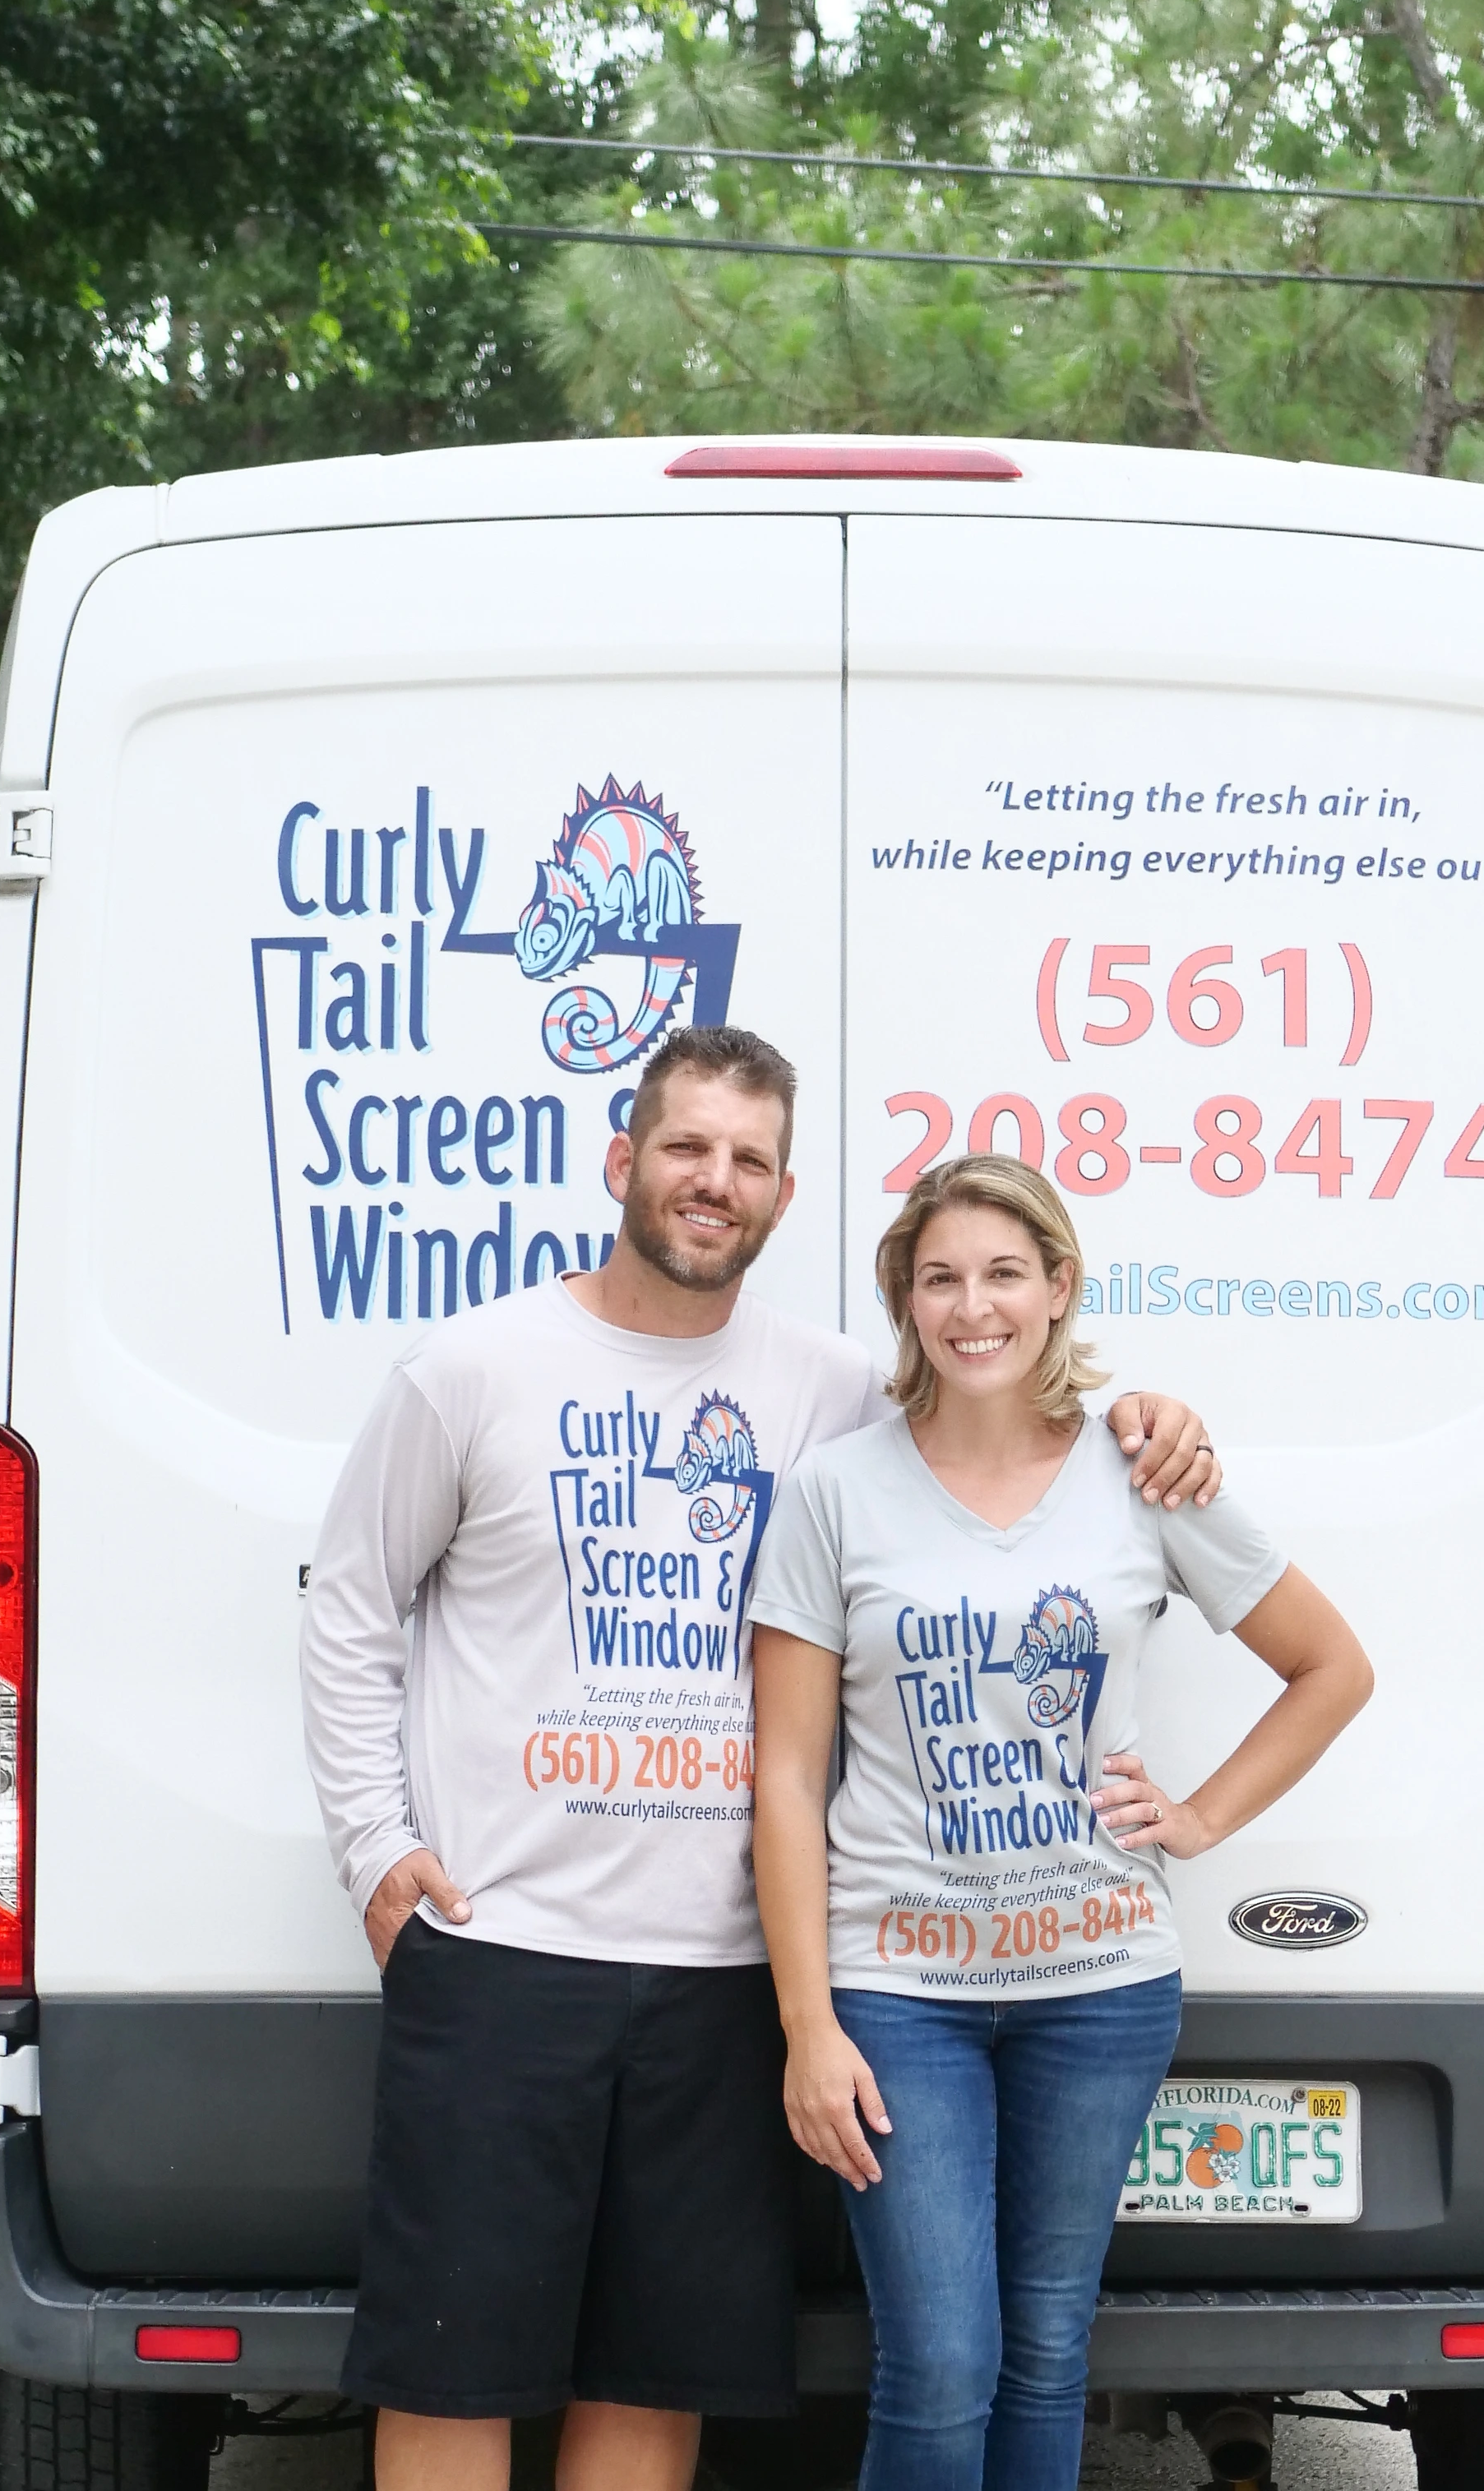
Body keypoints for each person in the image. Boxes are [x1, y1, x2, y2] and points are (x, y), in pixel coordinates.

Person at [296, 1029, 1227, 2491]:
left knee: (650, 2379)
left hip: (725, 1977)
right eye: (686, 1149)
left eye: (746, 1160)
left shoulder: (836, 1390)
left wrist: (1142, 1419)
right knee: (451, 2364)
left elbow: (991, 1438)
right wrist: (371, 1844)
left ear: (784, 1197)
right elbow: (349, 1602)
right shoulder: (474, 1367)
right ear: (623, 1164)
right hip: (498, 1949)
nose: (711, 1182)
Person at [743, 1153, 1375, 2491]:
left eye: (1003, 1274)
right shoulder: (834, 1495)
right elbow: (788, 1782)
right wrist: (809, 2026)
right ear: (906, 1304)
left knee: (1045, 2354)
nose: (974, 1308)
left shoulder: (1143, 1473)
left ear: (1059, 1287)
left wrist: (1198, 1817)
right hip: (896, 1995)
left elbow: (1332, 1668)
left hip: (1101, 1989)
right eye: (940, 1280)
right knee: (938, 2364)